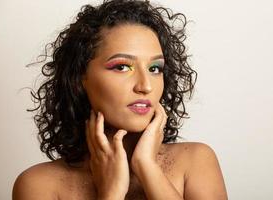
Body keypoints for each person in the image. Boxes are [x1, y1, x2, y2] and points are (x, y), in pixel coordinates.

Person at [12, 0, 228, 199]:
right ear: (79, 79)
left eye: (155, 68)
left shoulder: (196, 161)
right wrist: (111, 193)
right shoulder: (38, 185)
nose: (145, 86)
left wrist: (147, 167)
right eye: (122, 67)